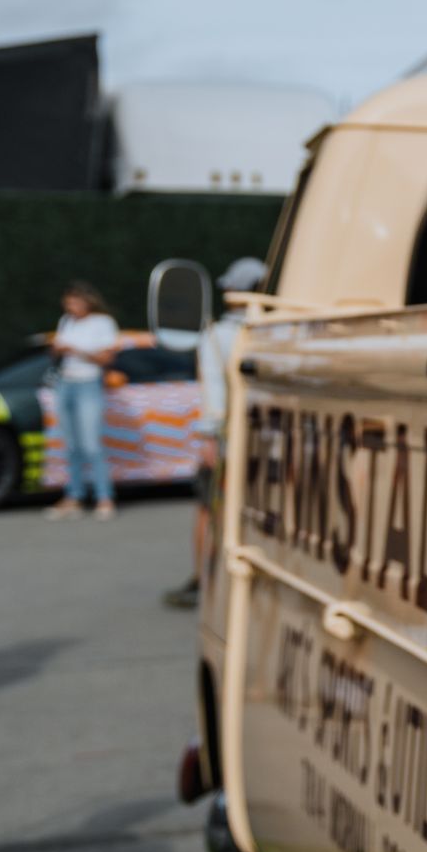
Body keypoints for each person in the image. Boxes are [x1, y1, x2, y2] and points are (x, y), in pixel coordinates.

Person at [164, 257, 264, 608]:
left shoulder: (218, 335)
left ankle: (203, 578)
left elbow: (214, 395)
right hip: (271, 439)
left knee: (208, 508)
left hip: (229, 438)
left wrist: (208, 437)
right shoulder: (279, 329)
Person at [46, 283, 120, 521]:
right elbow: (57, 354)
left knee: (91, 444)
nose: (71, 307)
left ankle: (104, 497)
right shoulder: (66, 321)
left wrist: (75, 349)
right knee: (71, 445)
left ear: (88, 301)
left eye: (74, 302)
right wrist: (57, 350)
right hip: (65, 383)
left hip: (89, 384)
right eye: (67, 304)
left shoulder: (103, 323)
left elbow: (106, 357)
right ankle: (74, 496)